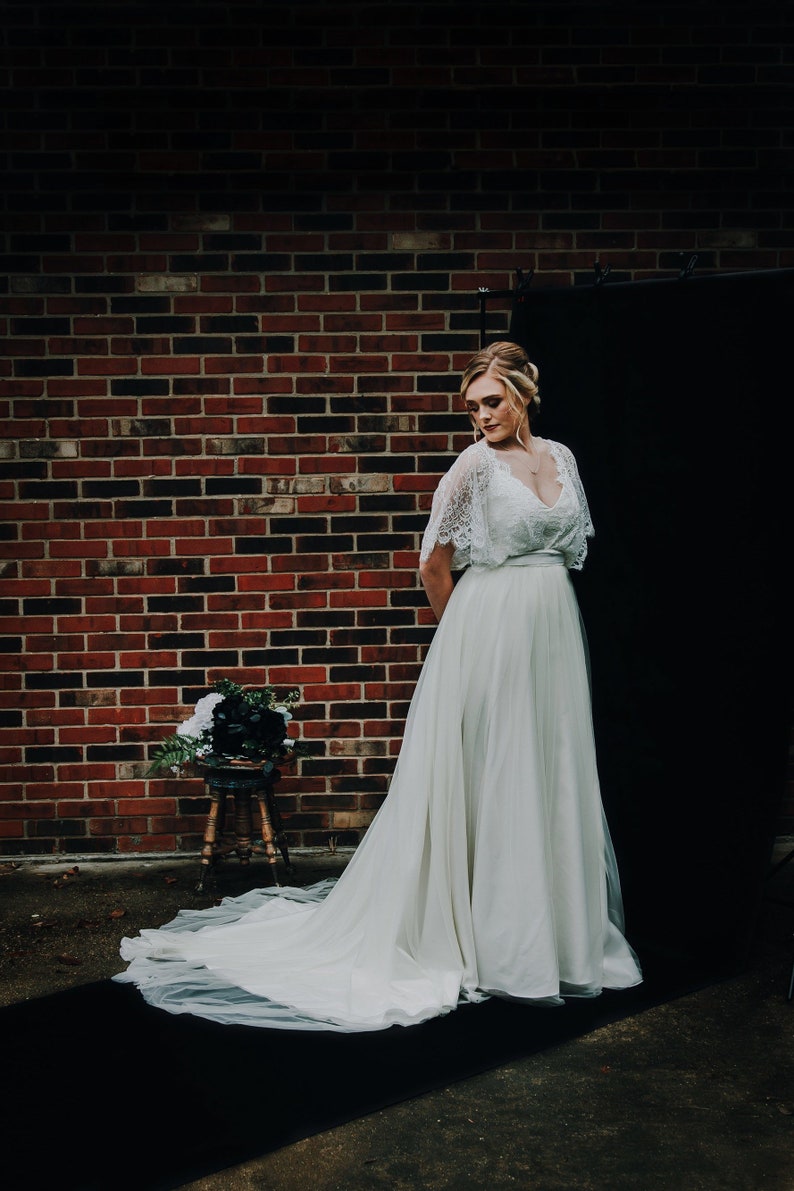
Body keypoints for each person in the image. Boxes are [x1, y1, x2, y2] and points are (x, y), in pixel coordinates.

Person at [115, 341, 642, 1031]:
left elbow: (566, 548)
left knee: (553, 773)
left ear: (524, 395)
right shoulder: (471, 467)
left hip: (553, 633)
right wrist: (468, 645)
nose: (482, 415)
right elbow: (433, 565)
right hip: (491, 636)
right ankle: (503, 947)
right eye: (472, 406)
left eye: (493, 400)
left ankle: (563, 940)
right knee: (500, 775)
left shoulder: (561, 458)